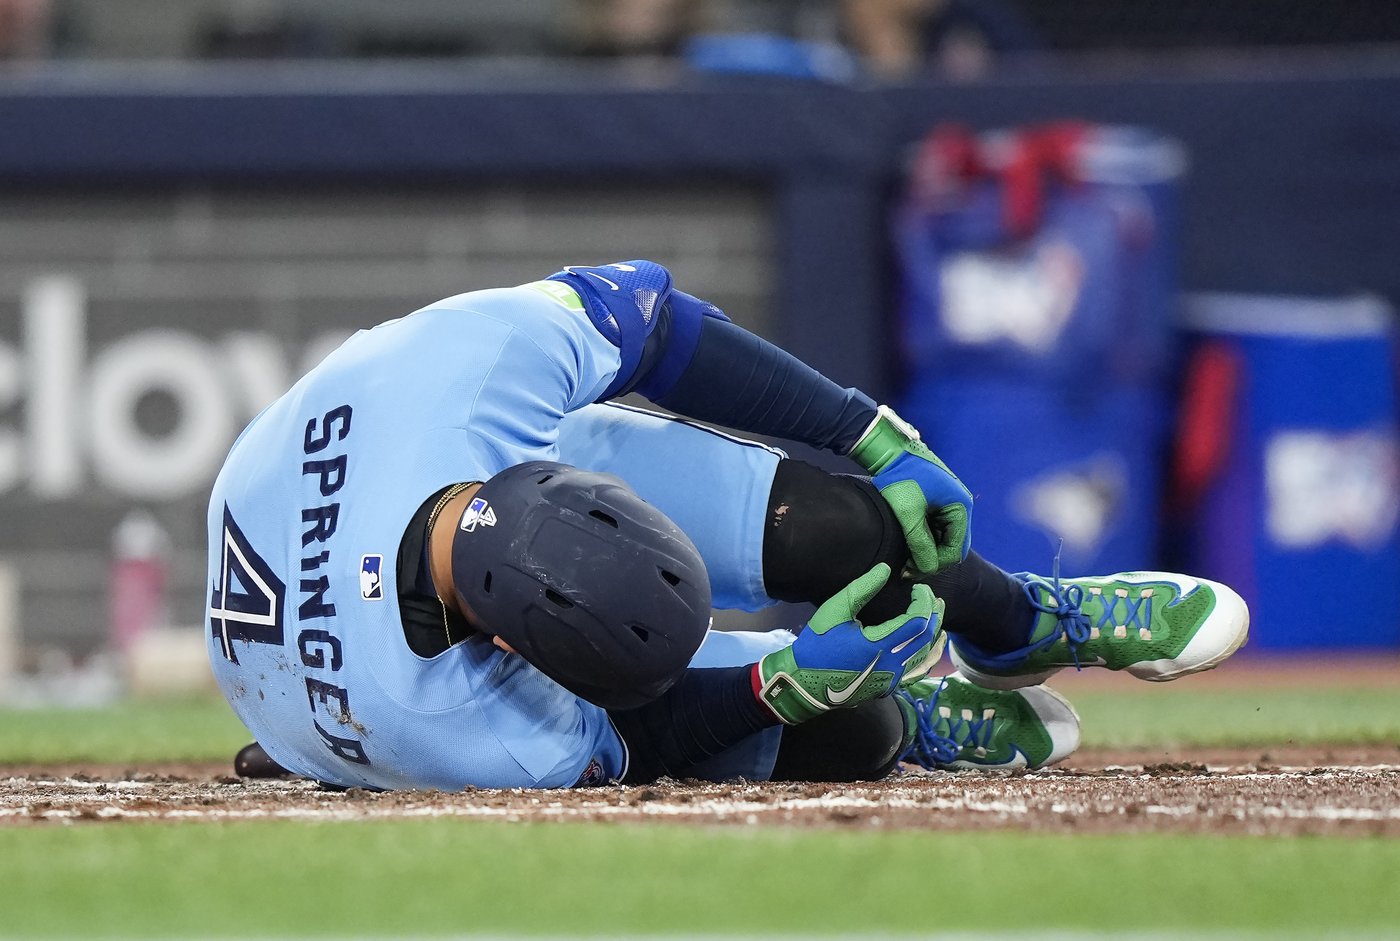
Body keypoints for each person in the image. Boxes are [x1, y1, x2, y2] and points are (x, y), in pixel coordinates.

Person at [211, 260, 1248, 790]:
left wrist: (872, 434)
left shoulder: (472, 372)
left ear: (565, 478)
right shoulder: (444, 719)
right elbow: (637, 735)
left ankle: (1016, 622)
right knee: (853, 731)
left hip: (357, 466)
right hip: (327, 676)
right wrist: (780, 682)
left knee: (849, 528)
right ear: (509, 651)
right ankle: (920, 715)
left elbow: (660, 326)